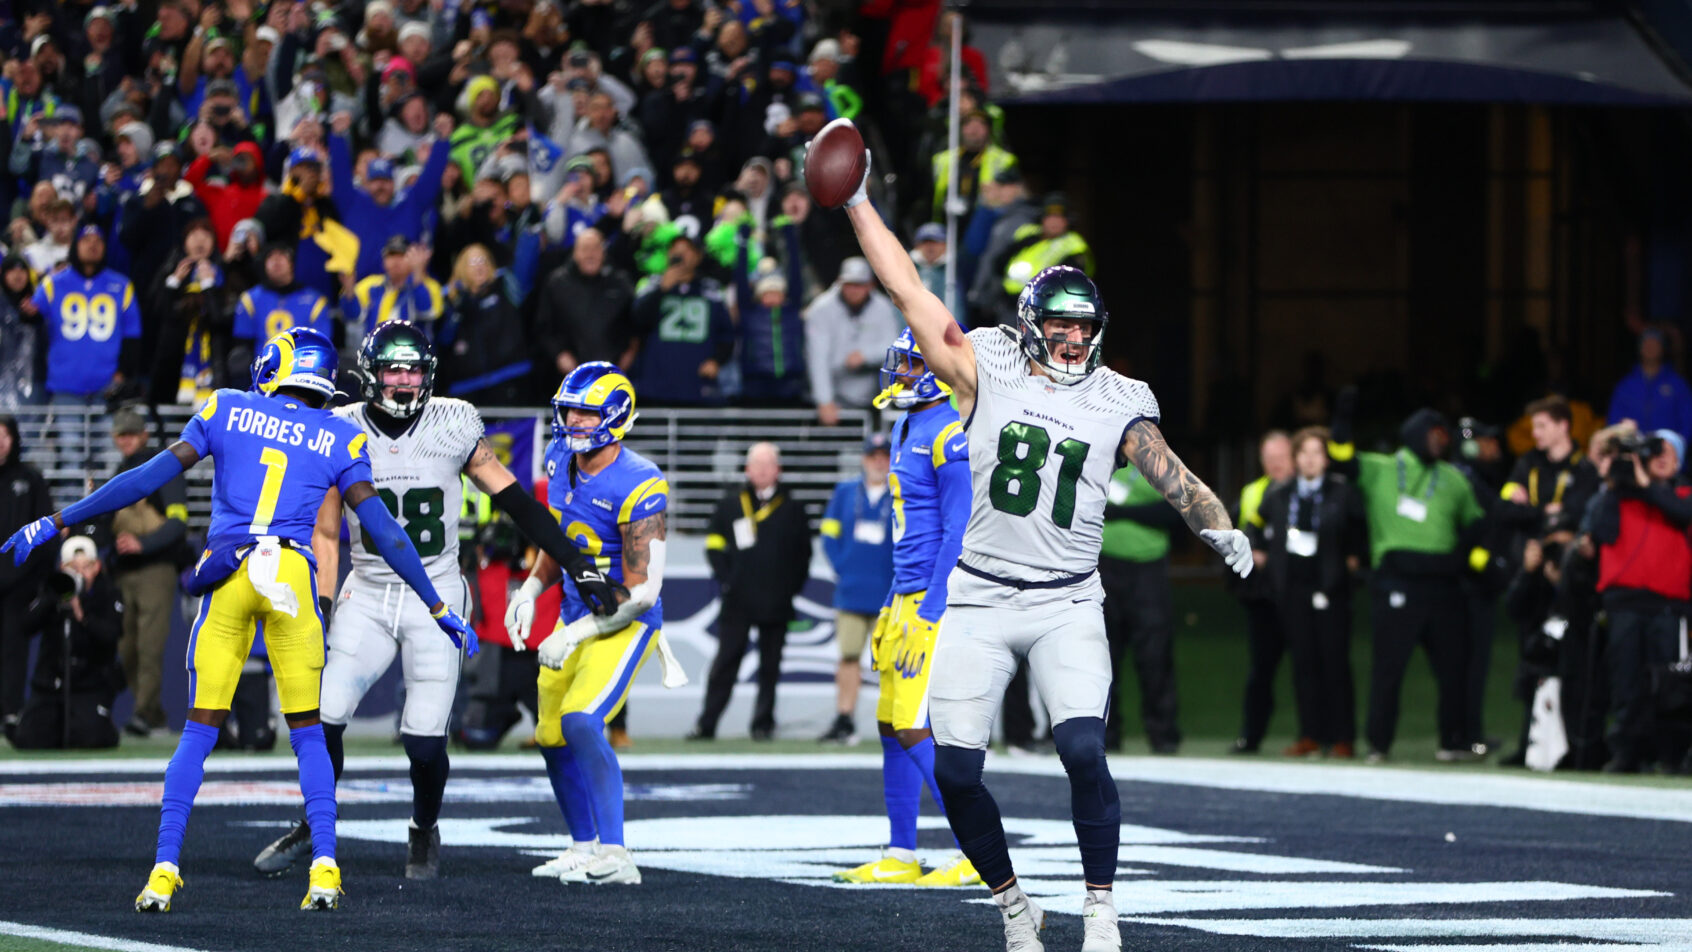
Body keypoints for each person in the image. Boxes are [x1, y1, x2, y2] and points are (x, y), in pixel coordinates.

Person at [838, 126, 1252, 952]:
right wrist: (856, 203)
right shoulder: (982, 361)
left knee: (1083, 750)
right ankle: (1013, 906)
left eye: (1082, 328)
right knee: (956, 771)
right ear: (1030, 323)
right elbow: (909, 292)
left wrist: (1219, 525)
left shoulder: (1116, 394)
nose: (1071, 340)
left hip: (1067, 600)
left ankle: (1101, 904)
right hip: (981, 593)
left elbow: (1166, 468)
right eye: (1058, 326)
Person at [1, 327, 474, 912]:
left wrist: (57, 521)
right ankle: (325, 868)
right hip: (293, 582)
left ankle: (164, 870)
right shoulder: (340, 434)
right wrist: (434, 602)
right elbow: (383, 530)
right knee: (308, 738)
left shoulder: (227, 407)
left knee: (198, 734)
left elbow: (144, 478)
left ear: (274, 367)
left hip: (231, 577)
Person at [254, 323, 620, 880]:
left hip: (437, 593)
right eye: (393, 370)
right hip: (369, 591)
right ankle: (315, 825)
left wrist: (577, 562)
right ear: (371, 374)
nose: (404, 381)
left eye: (413, 370)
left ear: (428, 374)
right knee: (321, 719)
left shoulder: (453, 422)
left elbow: (516, 502)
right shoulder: (341, 426)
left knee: (423, 742)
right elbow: (327, 534)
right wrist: (322, 606)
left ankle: (424, 827)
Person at [506, 362, 688, 885]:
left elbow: (642, 589)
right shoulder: (560, 457)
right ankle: (583, 844)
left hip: (625, 621)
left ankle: (617, 852)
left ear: (615, 417)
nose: (574, 420)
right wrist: (533, 589)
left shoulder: (640, 481)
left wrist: (578, 631)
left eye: (586, 411)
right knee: (550, 735)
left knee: (582, 720)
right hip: (570, 611)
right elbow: (559, 539)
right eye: (569, 409)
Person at [833, 329, 978, 887]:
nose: (900, 376)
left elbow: (957, 529)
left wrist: (932, 605)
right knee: (891, 725)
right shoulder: (904, 424)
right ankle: (902, 850)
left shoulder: (948, 431)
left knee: (917, 726)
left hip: (935, 595)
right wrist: (896, 599)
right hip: (905, 591)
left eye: (913, 365)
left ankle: (977, 851)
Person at [1328, 393, 1485, 763]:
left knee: (1453, 668)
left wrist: (1468, 559)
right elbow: (1341, 457)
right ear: (1415, 434)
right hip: (1397, 580)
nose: (1440, 441)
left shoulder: (1453, 479)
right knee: (1388, 668)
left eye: (1443, 436)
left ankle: (1453, 742)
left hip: (1444, 585)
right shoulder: (1381, 468)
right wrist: (1342, 418)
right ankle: (1379, 745)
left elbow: (1476, 525)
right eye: (1433, 434)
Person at [1584, 423, 1692, 773]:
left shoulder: (1684, 493)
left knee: (1671, 686)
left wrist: (1645, 485)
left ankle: (1670, 755)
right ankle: (1628, 752)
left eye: (1668, 452)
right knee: (1626, 681)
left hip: (1668, 604)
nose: (1660, 459)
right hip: (1624, 602)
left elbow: (1681, 515)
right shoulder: (1619, 493)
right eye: (1654, 452)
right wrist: (1613, 483)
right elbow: (1600, 531)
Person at [1254, 426, 1366, 758]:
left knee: (1335, 664)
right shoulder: (1280, 493)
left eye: (1317, 453)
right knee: (1304, 664)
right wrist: (1262, 555)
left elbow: (1359, 534)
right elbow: (1257, 526)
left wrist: (1352, 565)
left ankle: (1342, 737)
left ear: (1327, 459)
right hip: (1293, 590)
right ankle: (1310, 735)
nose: (1310, 460)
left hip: (1331, 590)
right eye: (1304, 453)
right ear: (1296, 458)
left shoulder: (1343, 492)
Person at [692, 442, 814, 741]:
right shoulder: (730, 504)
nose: (760, 470)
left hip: (777, 601)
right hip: (738, 600)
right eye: (755, 464)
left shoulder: (793, 508)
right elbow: (714, 546)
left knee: (770, 667)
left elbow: (804, 555)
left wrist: (789, 589)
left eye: (767, 464)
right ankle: (707, 723)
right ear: (746, 469)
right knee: (725, 663)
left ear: (778, 470)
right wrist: (728, 580)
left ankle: (763, 724)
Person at [106, 409, 190, 739]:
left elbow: (178, 523)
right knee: (126, 647)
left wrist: (143, 543)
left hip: (156, 568)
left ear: (143, 435)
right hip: (124, 572)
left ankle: (143, 712)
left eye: (131, 434)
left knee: (150, 647)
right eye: (120, 435)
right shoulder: (119, 470)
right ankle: (152, 711)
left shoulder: (164, 469)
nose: (125, 440)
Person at [1098, 461, 1184, 754]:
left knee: (1155, 655)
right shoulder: (1097, 456)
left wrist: (1119, 512)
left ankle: (1164, 737)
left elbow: (1173, 512)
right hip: (1103, 568)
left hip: (1148, 570)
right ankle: (1107, 737)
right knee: (1104, 657)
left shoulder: (1161, 466)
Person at [817, 433, 895, 746]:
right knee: (848, 657)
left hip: (889, 591)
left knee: (891, 662)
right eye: (873, 455)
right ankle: (845, 718)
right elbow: (828, 533)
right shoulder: (846, 491)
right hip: (852, 589)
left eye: (884, 455)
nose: (879, 461)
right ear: (864, 459)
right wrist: (842, 565)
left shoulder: (904, 491)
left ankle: (894, 720)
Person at [11, 535, 123, 750]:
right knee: (30, 739)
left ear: (97, 566)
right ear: (62, 567)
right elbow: (24, 626)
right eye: (73, 567)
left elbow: (111, 635)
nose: (80, 573)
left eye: (86, 566)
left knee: (92, 738)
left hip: (89, 685)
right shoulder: (51, 588)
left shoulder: (108, 592)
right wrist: (51, 599)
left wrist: (84, 617)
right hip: (50, 685)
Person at [1231, 431, 1296, 754]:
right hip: (1264, 597)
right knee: (1261, 671)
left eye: (1281, 458)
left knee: (1309, 668)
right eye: (1269, 459)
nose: (1275, 465)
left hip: (1299, 593)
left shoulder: (1306, 489)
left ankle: (1315, 736)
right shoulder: (1252, 493)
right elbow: (1239, 534)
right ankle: (1250, 736)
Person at [29, 225, 142, 406]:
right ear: (75, 245)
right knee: (69, 435)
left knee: (107, 435)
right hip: (65, 385)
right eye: (86, 241)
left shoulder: (122, 286)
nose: (93, 245)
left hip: (108, 386)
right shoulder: (53, 283)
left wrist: (124, 373)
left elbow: (132, 336)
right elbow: (32, 318)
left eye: (98, 241)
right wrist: (27, 312)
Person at [628, 232, 735, 405]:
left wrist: (717, 360)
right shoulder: (651, 285)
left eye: (687, 250)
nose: (680, 254)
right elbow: (636, 321)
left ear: (699, 256)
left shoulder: (712, 291)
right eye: (675, 250)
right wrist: (662, 289)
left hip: (697, 386)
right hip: (656, 386)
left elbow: (727, 334)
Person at [0, 416, 53, 741]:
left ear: (14, 439)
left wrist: (38, 579)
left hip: (18, 585)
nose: (0, 443)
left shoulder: (30, 479)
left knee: (12, 650)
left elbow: (46, 530)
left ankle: (9, 711)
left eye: (4, 436)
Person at [804, 256, 902, 426]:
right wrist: (825, 401)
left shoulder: (883, 306)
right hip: (836, 396)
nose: (854, 290)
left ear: (870, 285)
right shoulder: (820, 309)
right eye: (849, 284)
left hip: (873, 396)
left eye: (859, 285)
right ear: (840, 282)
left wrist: (866, 355)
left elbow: (895, 347)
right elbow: (817, 358)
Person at [1607, 327, 1692, 458]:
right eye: (1646, 343)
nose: (1650, 348)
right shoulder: (1625, 385)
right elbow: (1613, 424)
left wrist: (1675, 450)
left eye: (1655, 343)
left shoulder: (1678, 385)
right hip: (1633, 458)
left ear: (1663, 348)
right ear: (1640, 348)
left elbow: (1688, 423)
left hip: (1668, 459)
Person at [232, 244, 333, 351]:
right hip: (262, 366)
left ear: (292, 263)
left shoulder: (316, 301)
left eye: (282, 255)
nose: (276, 260)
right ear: (264, 265)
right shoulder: (250, 300)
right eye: (270, 256)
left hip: (303, 366)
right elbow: (242, 347)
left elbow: (322, 348)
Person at [346, 238, 445, 339]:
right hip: (376, 350)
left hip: (412, 351)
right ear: (383, 260)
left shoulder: (430, 285)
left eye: (402, 255)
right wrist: (348, 288)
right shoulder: (371, 284)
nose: (396, 261)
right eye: (391, 255)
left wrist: (418, 278)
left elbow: (429, 313)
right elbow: (353, 316)